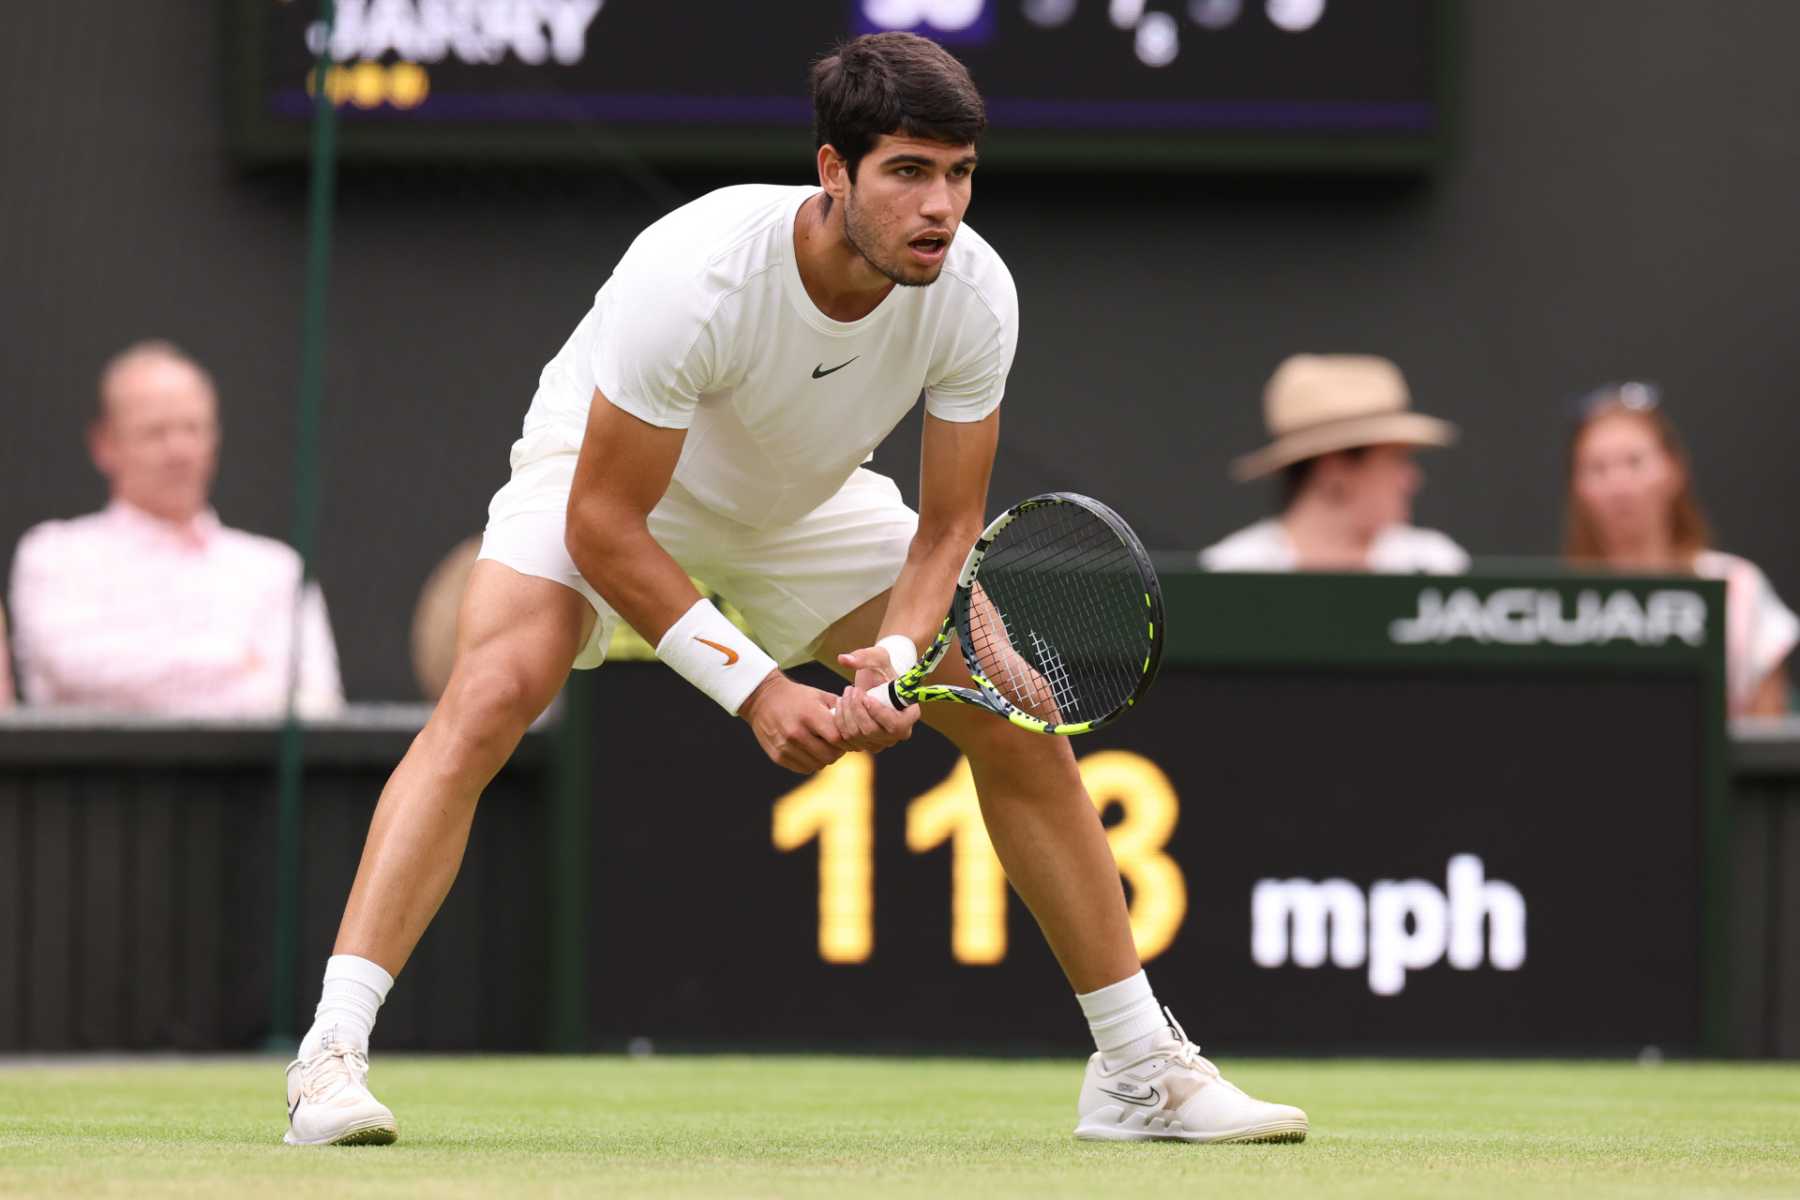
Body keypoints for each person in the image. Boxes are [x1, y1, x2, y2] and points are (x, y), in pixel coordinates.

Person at [283, 33, 1306, 1149]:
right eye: (909, 172)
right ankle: (329, 1060)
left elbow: (951, 526)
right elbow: (604, 525)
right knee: (491, 696)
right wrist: (760, 690)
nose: (941, 206)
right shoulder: (698, 274)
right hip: (610, 489)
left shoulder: (974, 294)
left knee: (1012, 715)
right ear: (834, 171)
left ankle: (1137, 1070)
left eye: (959, 173)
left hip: (810, 510)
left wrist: (903, 655)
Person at [8, 341, 344, 717]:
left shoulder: (275, 568)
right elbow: (74, 668)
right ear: (104, 444)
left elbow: (316, 705)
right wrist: (233, 658)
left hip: (245, 776)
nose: (179, 450)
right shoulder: (56, 554)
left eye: (193, 428)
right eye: (155, 432)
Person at [1565, 382, 1795, 716]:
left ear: (1674, 469)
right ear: (1578, 486)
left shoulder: (1736, 588)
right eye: (1597, 468)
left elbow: (1768, 739)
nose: (1618, 485)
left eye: (1634, 462)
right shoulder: (1560, 605)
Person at [1201, 354, 1468, 573]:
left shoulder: (1435, 565)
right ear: (1335, 470)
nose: (1411, 479)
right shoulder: (1234, 570)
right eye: (1395, 460)